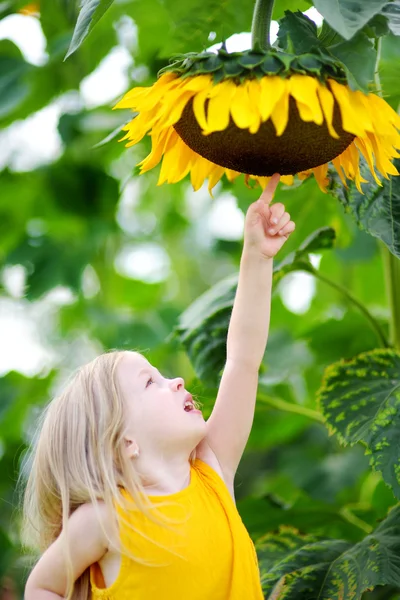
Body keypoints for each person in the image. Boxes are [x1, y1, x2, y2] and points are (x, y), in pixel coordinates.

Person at [23, 173, 295, 600]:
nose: (177, 381)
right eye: (152, 382)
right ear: (124, 442)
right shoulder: (108, 520)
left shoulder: (212, 475)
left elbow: (242, 360)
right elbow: (42, 586)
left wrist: (257, 258)